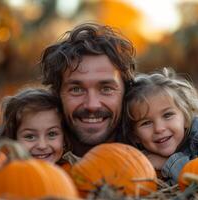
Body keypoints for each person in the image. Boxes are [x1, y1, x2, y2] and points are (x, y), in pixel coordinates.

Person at [39, 22, 136, 156]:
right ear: (57, 94)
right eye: (76, 89)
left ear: (126, 92)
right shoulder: (22, 158)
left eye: (106, 89)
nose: (92, 105)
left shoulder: (161, 161)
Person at [0, 87, 66, 163]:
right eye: (30, 136)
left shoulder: (72, 171)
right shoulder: (3, 171)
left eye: (51, 134)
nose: (42, 146)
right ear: (13, 139)